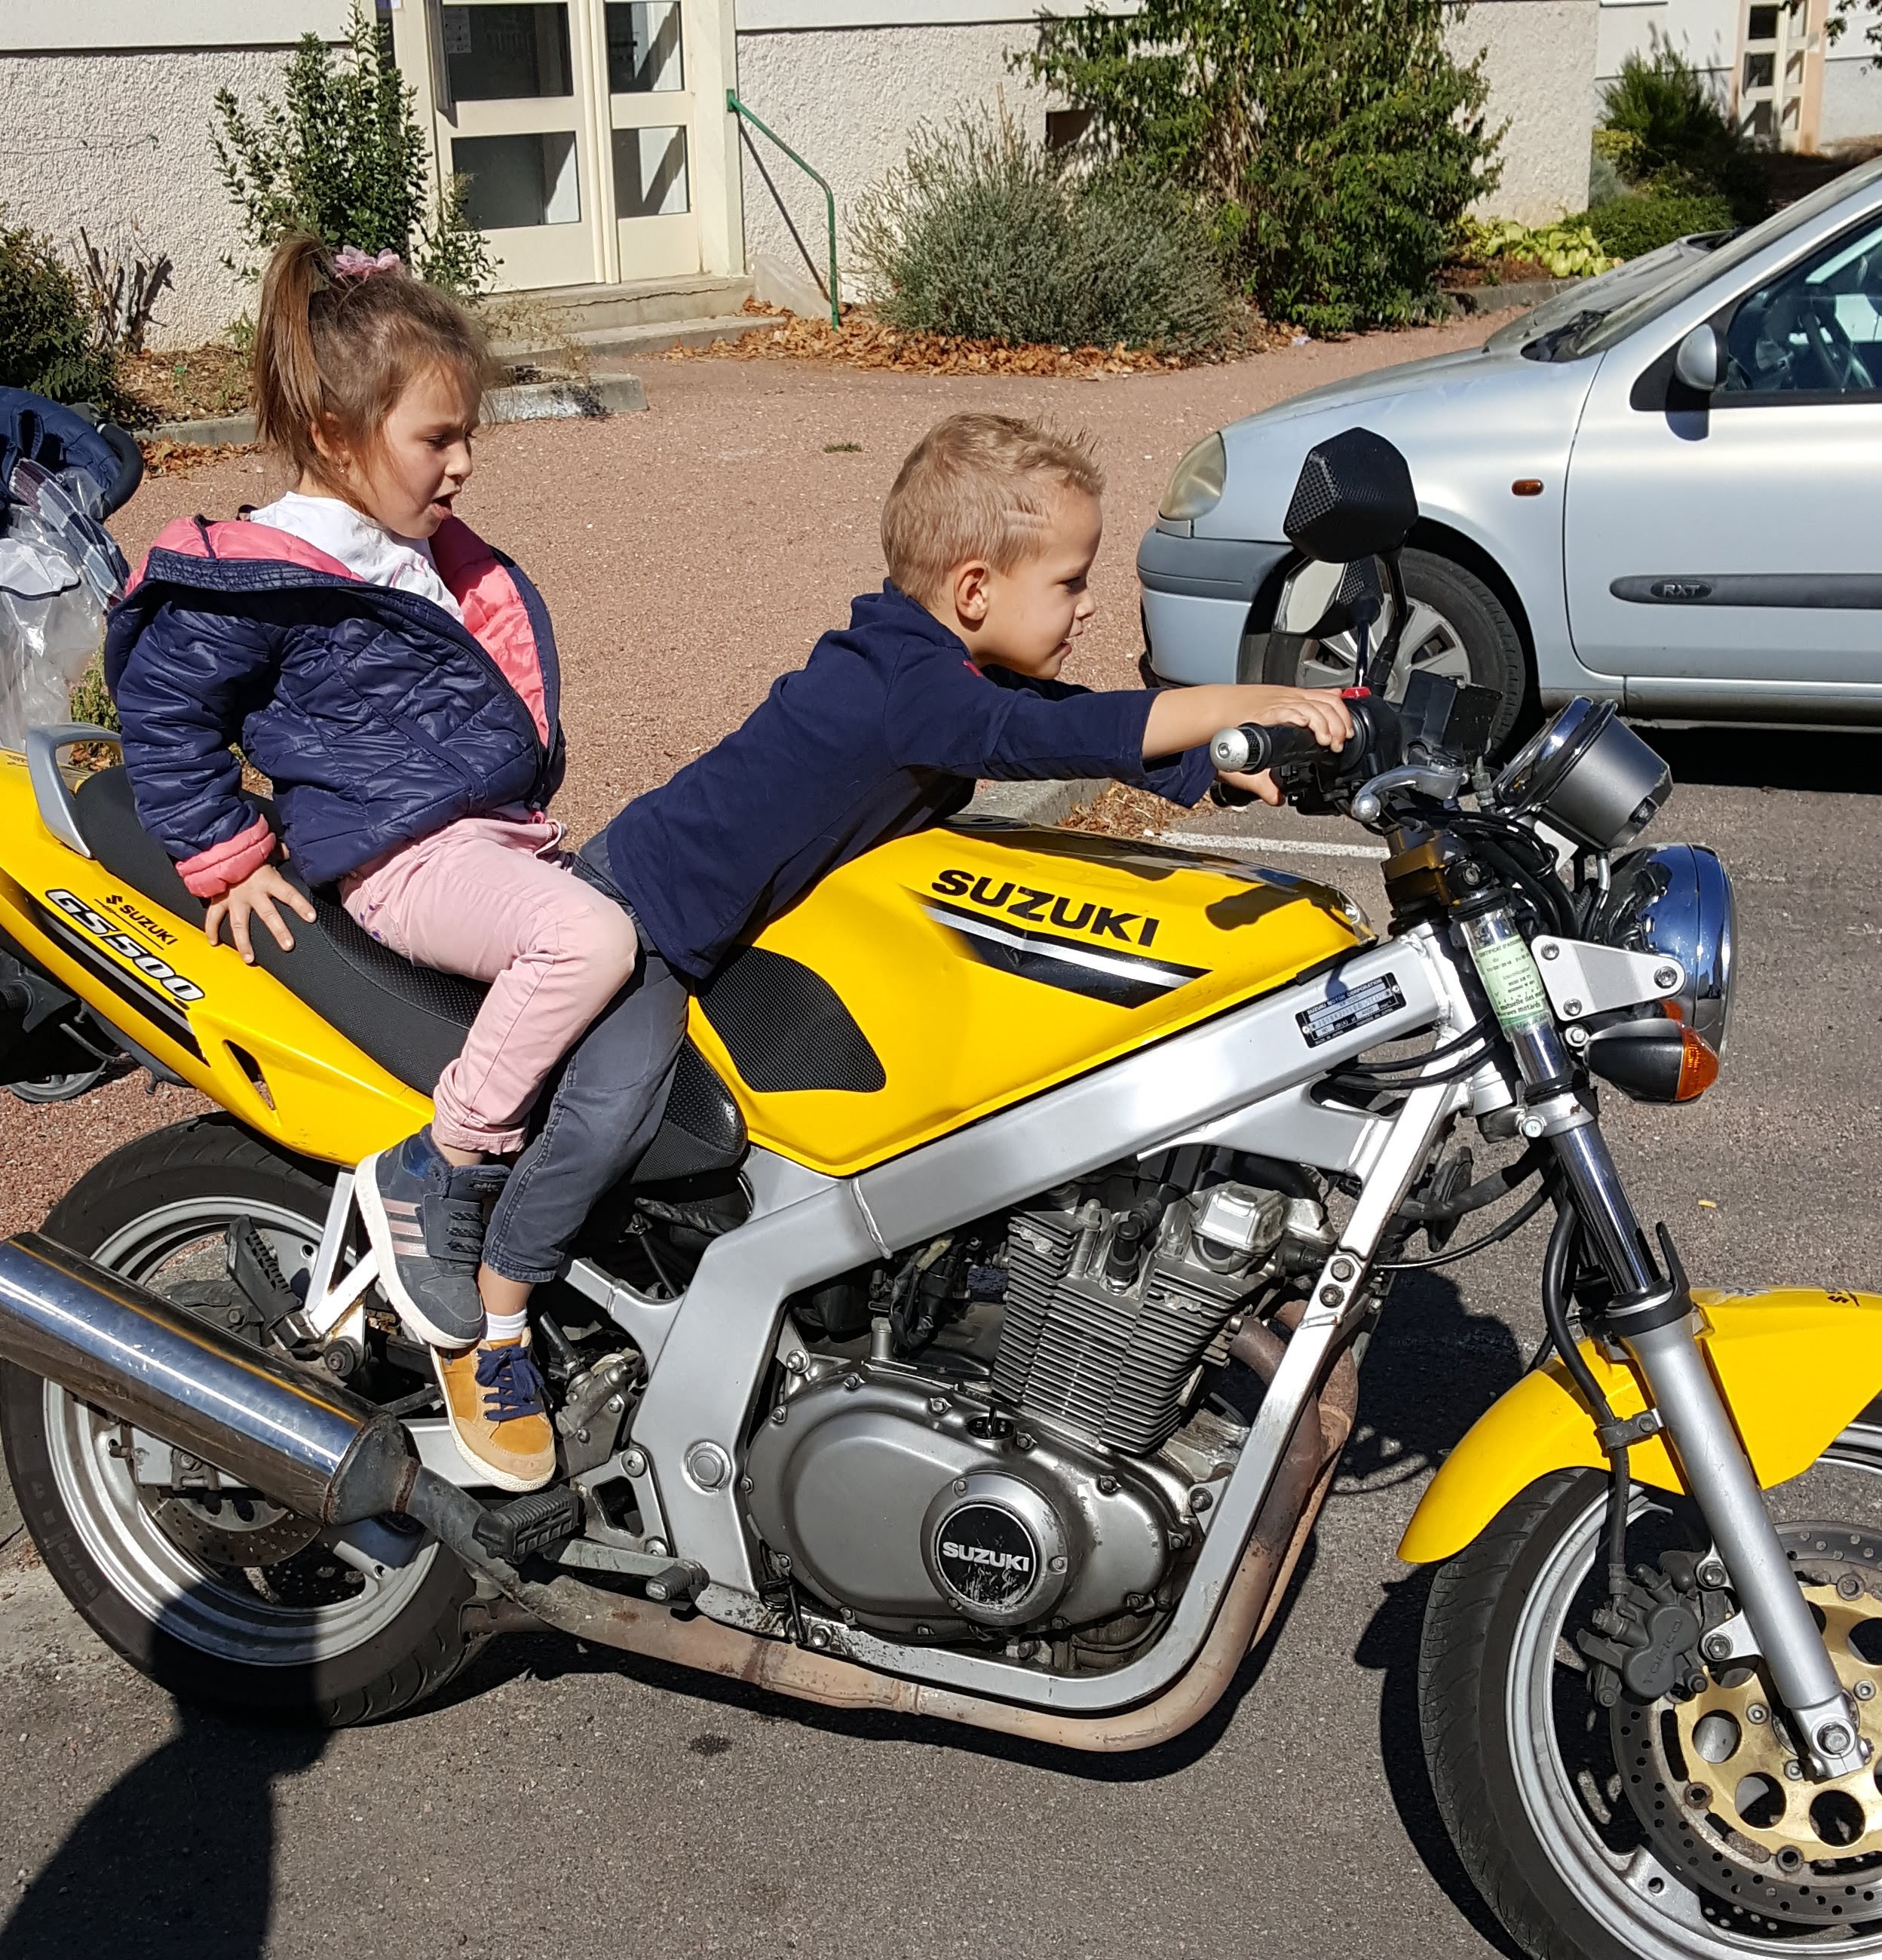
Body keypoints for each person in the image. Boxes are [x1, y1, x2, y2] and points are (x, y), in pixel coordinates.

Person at [471, 409, 1351, 1413]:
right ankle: (495, 1311)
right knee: (610, 1110)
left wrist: (1211, 772)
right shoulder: (912, 689)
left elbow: (1052, 717)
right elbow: (1036, 736)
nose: (1088, 606)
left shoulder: (928, 660)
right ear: (974, 590)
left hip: (735, 920)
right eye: (1069, 582)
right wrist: (1235, 703)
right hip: (645, 916)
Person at [105, 234, 635, 1495]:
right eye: (436, 438)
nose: (463, 464)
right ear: (334, 434)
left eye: (467, 438)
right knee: (589, 941)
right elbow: (164, 709)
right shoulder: (272, 570)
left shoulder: (404, 547)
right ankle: (442, 1162)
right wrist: (227, 854)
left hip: (484, 836)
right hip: (401, 861)